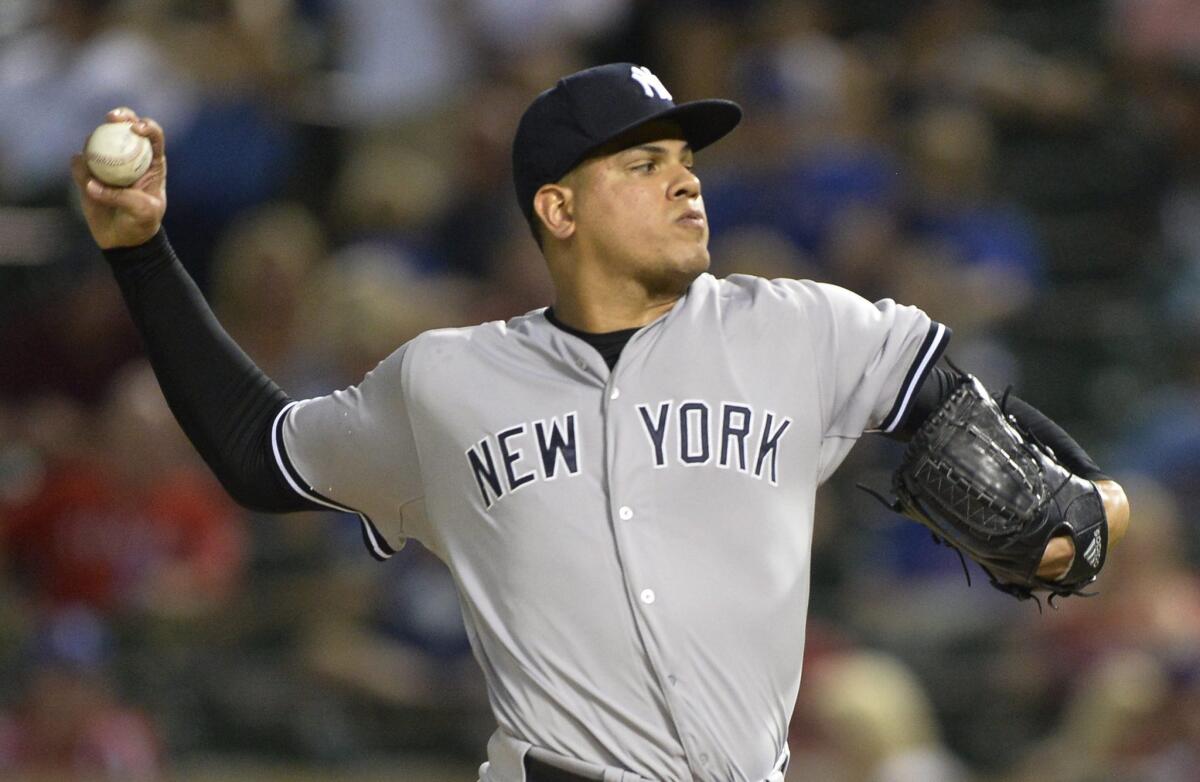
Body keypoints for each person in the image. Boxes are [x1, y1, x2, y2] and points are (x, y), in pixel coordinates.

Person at [71, 63, 1130, 782]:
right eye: (643, 164)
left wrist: (1083, 516)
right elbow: (263, 452)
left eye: (687, 160)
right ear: (558, 210)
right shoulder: (446, 381)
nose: (685, 182)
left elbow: (995, 450)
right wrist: (140, 251)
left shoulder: (804, 328)